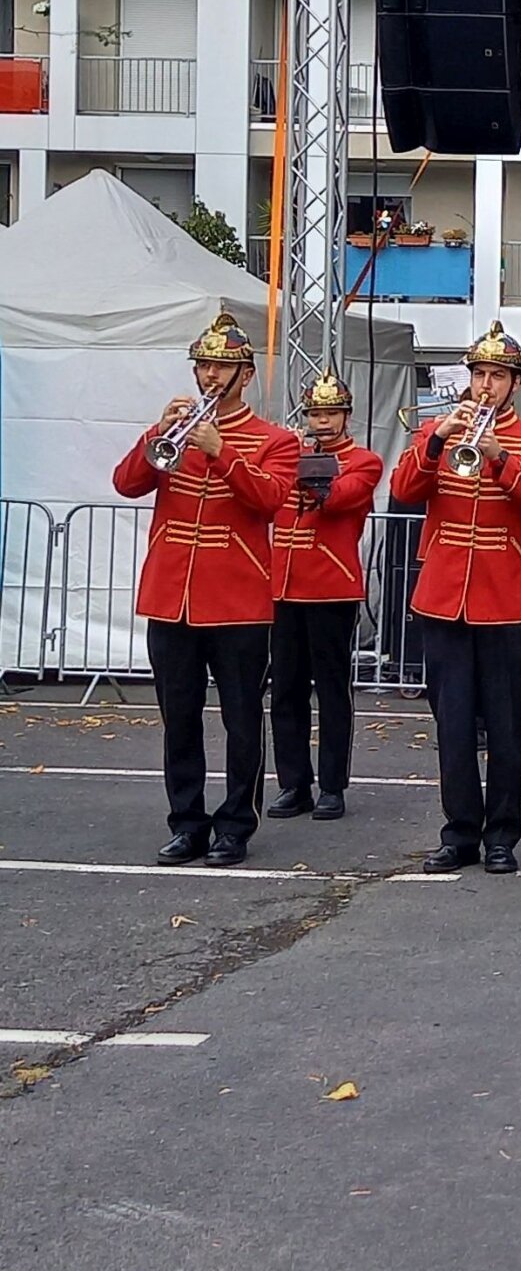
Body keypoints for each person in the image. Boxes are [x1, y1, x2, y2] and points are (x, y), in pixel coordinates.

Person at [112, 311, 300, 867]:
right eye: (204, 366)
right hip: (172, 595)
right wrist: (155, 432)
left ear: (246, 375)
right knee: (179, 716)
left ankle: (236, 824)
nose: (210, 376)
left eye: (222, 367)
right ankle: (186, 821)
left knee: (241, 716)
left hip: (236, 598)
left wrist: (222, 450)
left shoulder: (276, 439)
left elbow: (269, 502)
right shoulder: (174, 430)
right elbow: (126, 483)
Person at [390, 323, 521, 875]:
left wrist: (499, 458)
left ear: (516, 383)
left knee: (509, 726)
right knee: (454, 725)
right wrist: (440, 437)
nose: (485, 386)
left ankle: (501, 835)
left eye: (497, 376)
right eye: (479, 374)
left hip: (509, 603)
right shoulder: (435, 433)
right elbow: (403, 490)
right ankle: (459, 831)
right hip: (444, 600)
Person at [267, 369, 384, 825]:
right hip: (284, 584)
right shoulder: (291, 454)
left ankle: (332, 784)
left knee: (332, 691)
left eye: (331, 413)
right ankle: (293, 782)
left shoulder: (363, 459)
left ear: (346, 416)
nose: (323, 422)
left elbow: (337, 497)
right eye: (316, 413)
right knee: (286, 690)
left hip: (331, 586)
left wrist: (299, 461)